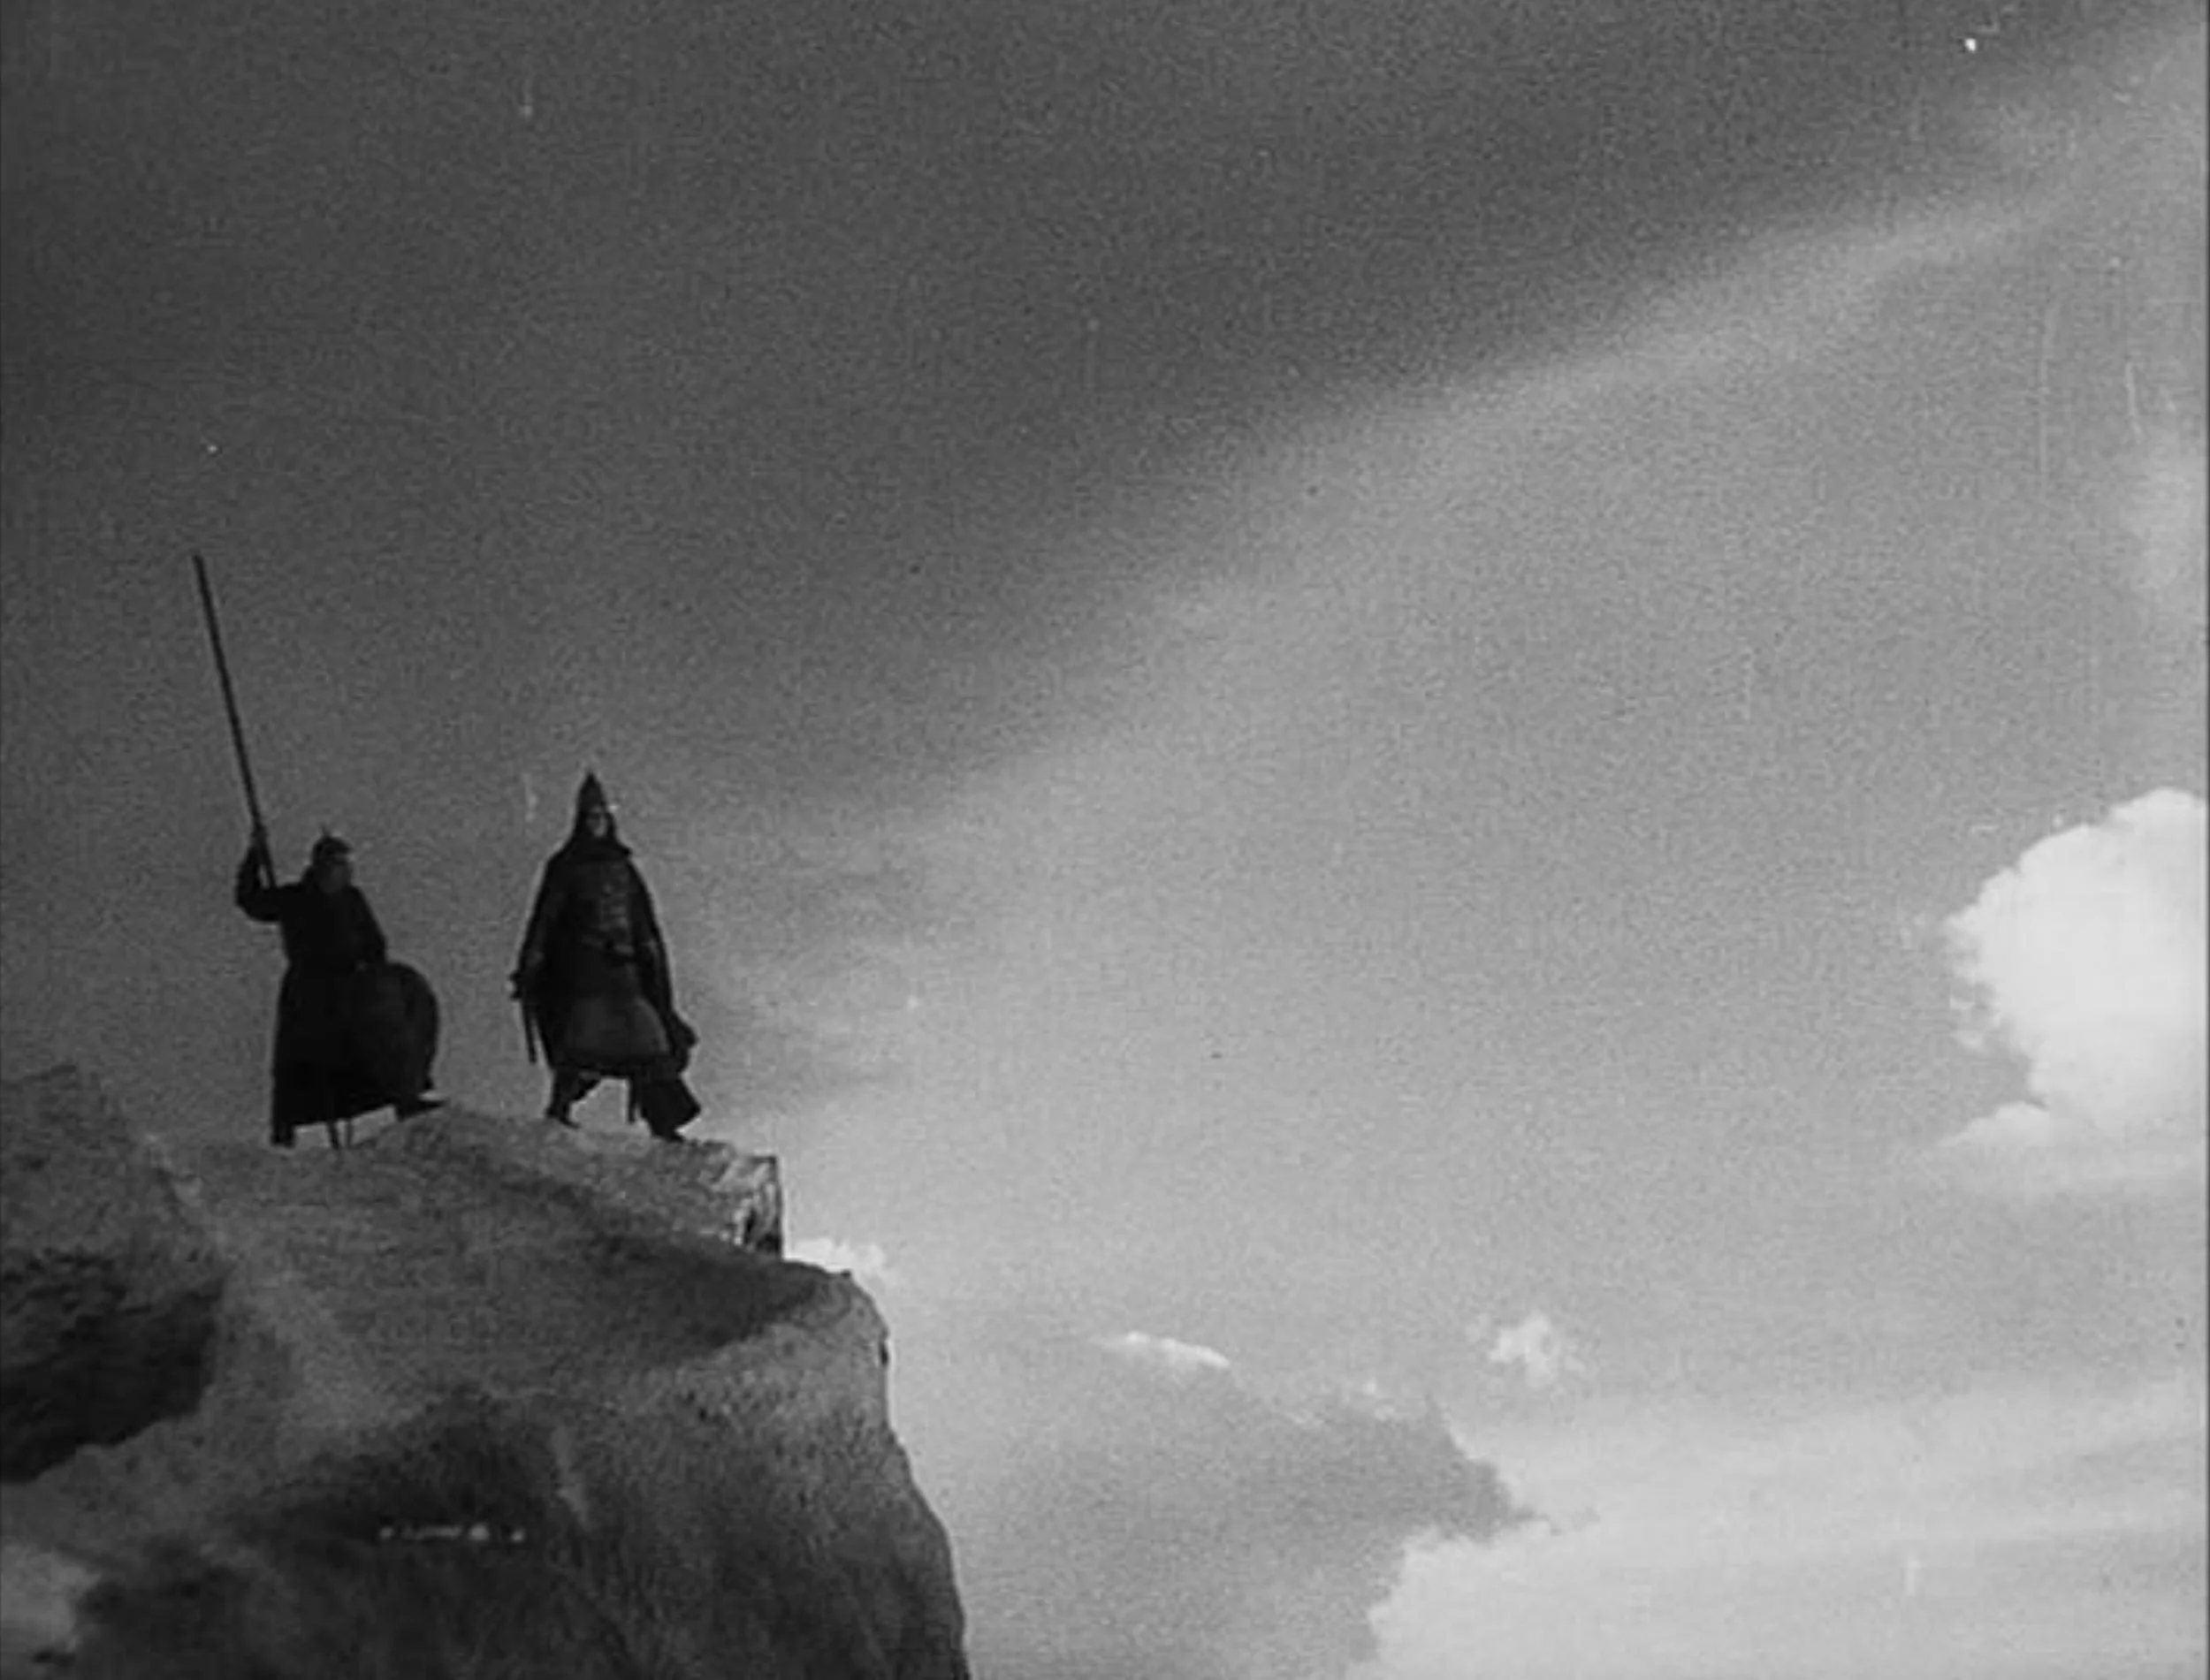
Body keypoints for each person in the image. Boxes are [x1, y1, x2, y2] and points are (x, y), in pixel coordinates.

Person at [511, 773, 701, 1140]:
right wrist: (532, 960)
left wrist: (649, 953)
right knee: (583, 1036)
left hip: (626, 970)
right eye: (590, 818)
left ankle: (662, 1122)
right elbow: (546, 917)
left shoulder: (624, 868)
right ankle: (559, 1108)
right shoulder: (565, 866)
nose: (596, 823)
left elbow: (643, 920)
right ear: (581, 822)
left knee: (648, 1039)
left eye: (601, 816)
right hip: (586, 970)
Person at [235, 826, 442, 1147]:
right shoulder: (296, 898)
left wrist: (370, 970)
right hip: (309, 992)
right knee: (297, 1065)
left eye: (345, 866)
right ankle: (283, 1133)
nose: (342, 872)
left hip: (352, 987)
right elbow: (251, 902)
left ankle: (407, 1098)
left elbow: (374, 941)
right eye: (336, 865)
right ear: (321, 867)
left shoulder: (353, 899)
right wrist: (254, 858)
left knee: (384, 1039)